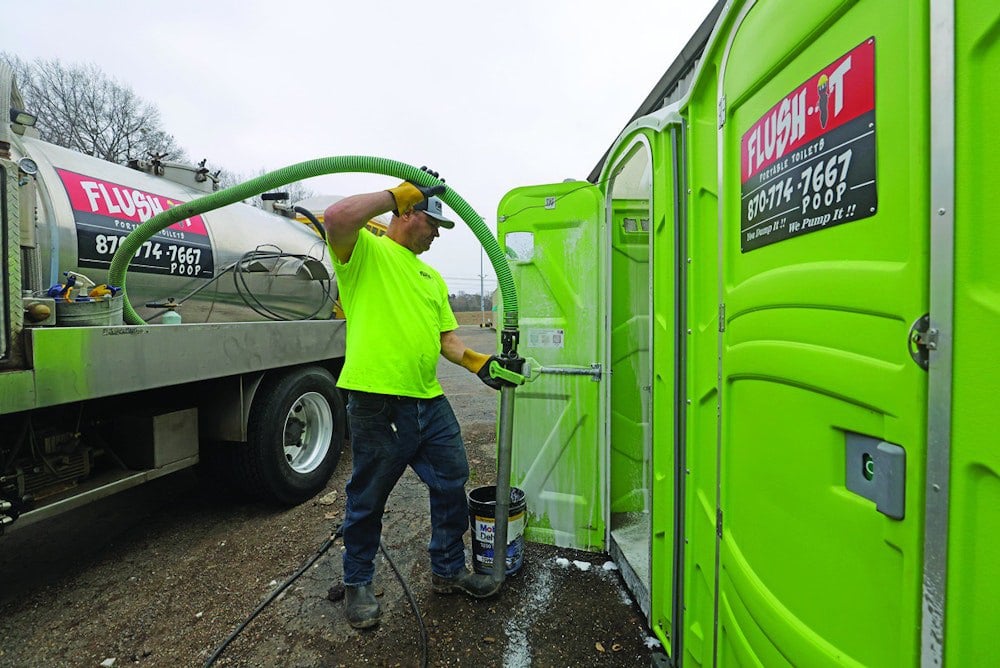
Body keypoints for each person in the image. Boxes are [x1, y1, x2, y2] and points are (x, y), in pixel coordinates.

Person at [323, 168, 506, 630]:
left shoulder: (431, 277)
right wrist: (395, 193)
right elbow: (337, 216)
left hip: (429, 399)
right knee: (369, 496)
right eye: (433, 224)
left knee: (452, 482)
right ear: (408, 213)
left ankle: (448, 570)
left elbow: (448, 342)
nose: (437, 235)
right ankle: (357, 581)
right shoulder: (366, 252)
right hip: (378, 400)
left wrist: (481, 364)